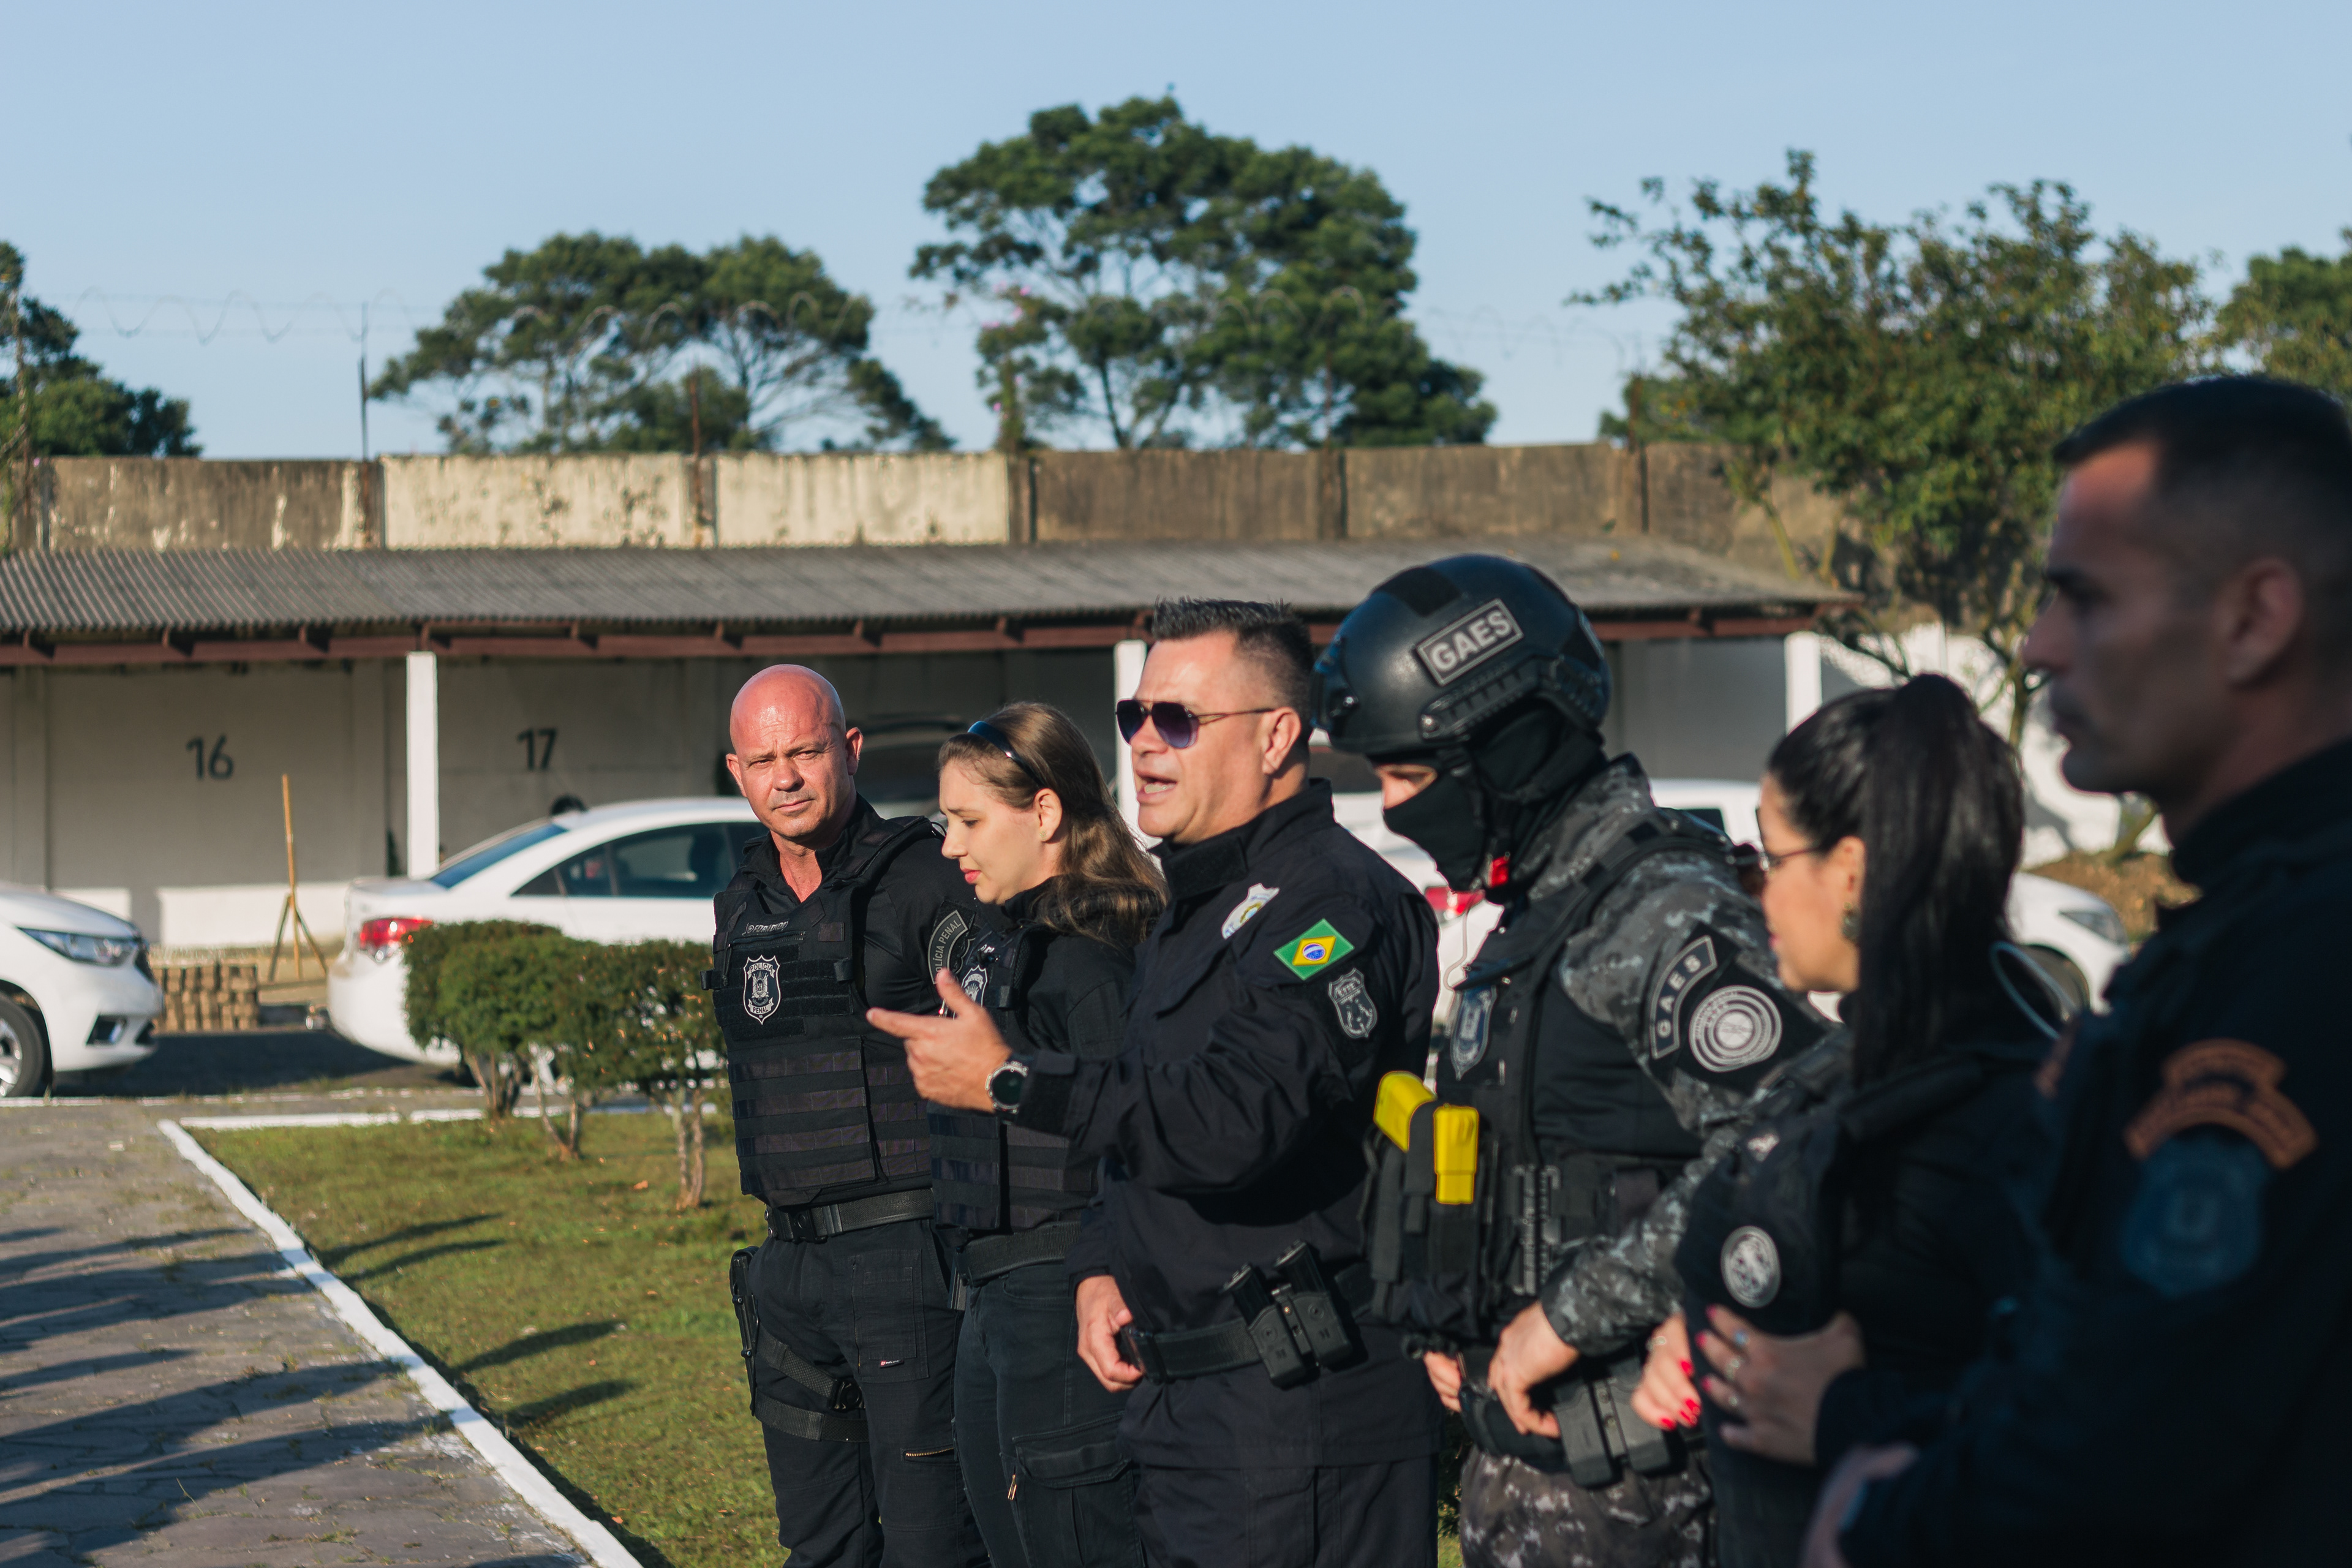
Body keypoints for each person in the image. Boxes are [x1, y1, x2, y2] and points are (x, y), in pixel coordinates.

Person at [1804, 378, 2352, 1566]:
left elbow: (2142, 1445)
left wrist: (1873, 1512)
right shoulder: (2242, 928)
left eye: (2084, 598)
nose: (2038, 644)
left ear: (2257, 618)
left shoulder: (2305, 962)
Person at [875, 600, 1444, 1568]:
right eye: (1134, 715)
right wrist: (1101, 1265)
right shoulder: (1195, 907)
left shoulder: (1332, 903)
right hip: (1188, 1414)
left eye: (1178, 719)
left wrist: (1012, 1080)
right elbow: (1139, 1120)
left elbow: (1233, 1119)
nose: (1143, 742)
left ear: (1276, 736)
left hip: (1302, 1423)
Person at [1314, 554, 1826, 1568]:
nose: (1393, 803)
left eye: (1408, 774)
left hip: (1654, 1490)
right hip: (1534, 1481)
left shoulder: (1665, 912)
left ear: (1509, 751)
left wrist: (1563, 1318)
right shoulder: (1541, 917)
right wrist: (1460, 1319)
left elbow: (1788, 1147)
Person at [1624, 676, 2058, 1568]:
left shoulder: (2004, 1110)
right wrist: (1708, 1327)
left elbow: (2092, 1422)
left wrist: (1849, 1414)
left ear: (1851, 873)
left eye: (1770, 859)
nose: (1756, 891)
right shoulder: (1854, 1063)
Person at [712, 665, 988, 1568]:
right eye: (763, 761)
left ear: (850, 749)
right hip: (787, 1269)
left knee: (932, 1542)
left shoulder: (928, 877)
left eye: (805, 751)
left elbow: (1000, 1054)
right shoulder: (740, 898)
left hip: (905, 1259)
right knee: (818, 1546)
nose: (785, 778)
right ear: (736, 771)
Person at [876, 703, 1162, 1568]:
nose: (951, 848)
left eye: (969, 822)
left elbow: (1139, 1139)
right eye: (945, 824)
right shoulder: (1012, 942)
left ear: (1044, 813)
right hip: (994, 1293)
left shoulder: (1091, 957)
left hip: (1066, 1296)